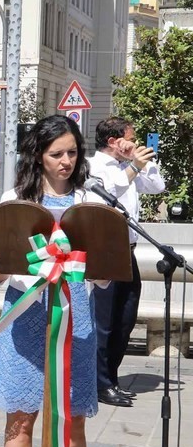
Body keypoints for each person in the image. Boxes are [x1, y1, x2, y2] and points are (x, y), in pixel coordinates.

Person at [0, 115, 101, 447]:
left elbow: (105, 267)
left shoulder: (90, 201)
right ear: (38, 155)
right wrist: (34, 270)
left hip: (76, 317)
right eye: (57, 154)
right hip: (27, 317)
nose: (66, 162)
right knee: (21, 419)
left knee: (73, 420)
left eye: (73, 153)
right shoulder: (16, 200)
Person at [88, 117, 165, 408]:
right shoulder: (94, 168)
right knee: (104, 321)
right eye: (131, 138)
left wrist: (143, 161)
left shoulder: (127, 166)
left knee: (125, 318)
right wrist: (131, 168)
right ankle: (100, 383)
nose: (134, 142)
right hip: (105, 249)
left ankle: (111, 377)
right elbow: (109, 197)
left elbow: (157, 187)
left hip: (128, 249)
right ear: (114, 141)